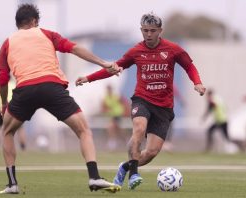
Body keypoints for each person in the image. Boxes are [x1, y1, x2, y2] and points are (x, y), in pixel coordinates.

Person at [0, 4, 121, 194]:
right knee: (83, 130)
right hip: (51, 87)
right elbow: (75, 48)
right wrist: (104, 63)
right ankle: (94, 177)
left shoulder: (8, 42)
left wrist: (4, 103)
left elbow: (3, 79)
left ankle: (12, 184)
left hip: (25, 90)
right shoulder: (46, 34)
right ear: (35, 22)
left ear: (18, 24)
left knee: (6, 132)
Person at [76, 12, 206, 190]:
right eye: (145, 30)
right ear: (141, 30)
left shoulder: (173, 49)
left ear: (160, 30)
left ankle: (125, 167)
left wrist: (197, 83)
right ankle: (134, 174)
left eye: (153, 30)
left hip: (164, 107)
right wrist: (88, 78)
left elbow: (189, 66)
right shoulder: (136, 51)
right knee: (139, 128)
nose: (149, 34)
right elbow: (113, 68)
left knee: (151, 152)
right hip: (142, 99)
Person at [0, 82, 26, 155]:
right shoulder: (15, 85)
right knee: (20, 129)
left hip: (2, 110)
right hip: (15, 110)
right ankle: (23, 148)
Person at [101, 85, 129, 151]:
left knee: (111, 127)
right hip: (112, 115)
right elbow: (103, 107)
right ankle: (126, 141)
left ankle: (112, 143)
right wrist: (106, 111)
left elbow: (125, 103)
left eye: (109, 89)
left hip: (118, 114)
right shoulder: (106, 98)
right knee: (118, 130)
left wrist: (126, 111)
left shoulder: (116, 96)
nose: (109, 90)